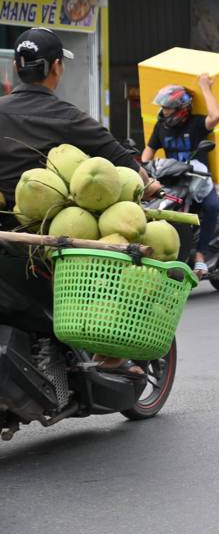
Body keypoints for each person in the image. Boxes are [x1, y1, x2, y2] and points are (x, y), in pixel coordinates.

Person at [0, 26, 158, 375]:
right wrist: (147, 183)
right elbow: (119, 158)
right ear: (56, 68)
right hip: (40, 235)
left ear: (17, 68)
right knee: (108, 268)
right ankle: (109, 356)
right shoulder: (67, 116)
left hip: (4, 232)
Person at [141, 75, 219, 278]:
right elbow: (148, 152)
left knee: (211, 206)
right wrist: (143, 170)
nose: (163, 111)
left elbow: (215, 117)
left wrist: (205, 87)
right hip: (173, 180)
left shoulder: (195, 124)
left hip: (198, 179)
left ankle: (201, 255)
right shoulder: (162, 127)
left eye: (167, 108)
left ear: (180, 109)